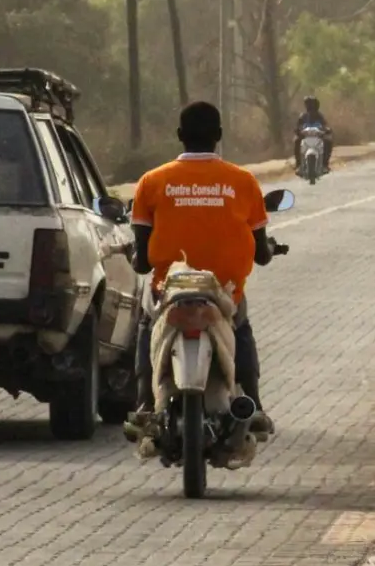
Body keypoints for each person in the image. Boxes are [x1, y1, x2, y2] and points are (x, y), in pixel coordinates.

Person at [131, 101, 275, 416]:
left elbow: (141, 262)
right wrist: (269, 250)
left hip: (169, 291)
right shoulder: (243, 182)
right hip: (223, 291)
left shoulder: (151, 182)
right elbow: (262, 254)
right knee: (240, 326)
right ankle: (253, 404)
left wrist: (135, 257)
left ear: (179, 134)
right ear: (219, 135)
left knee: (146, 324)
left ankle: (143, 401)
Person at [294, 95, 333, 171]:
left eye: (311, 104)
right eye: (308, 104)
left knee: (328, 141)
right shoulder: (303, 116)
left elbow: (325, 125)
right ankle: (298, 164)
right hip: (305, 136)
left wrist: (326, 130)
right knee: (296, 141)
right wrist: (298, 131)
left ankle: (325, 164)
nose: (310, 106)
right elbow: (298, 126)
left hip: (318, 136)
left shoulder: (320, 116)